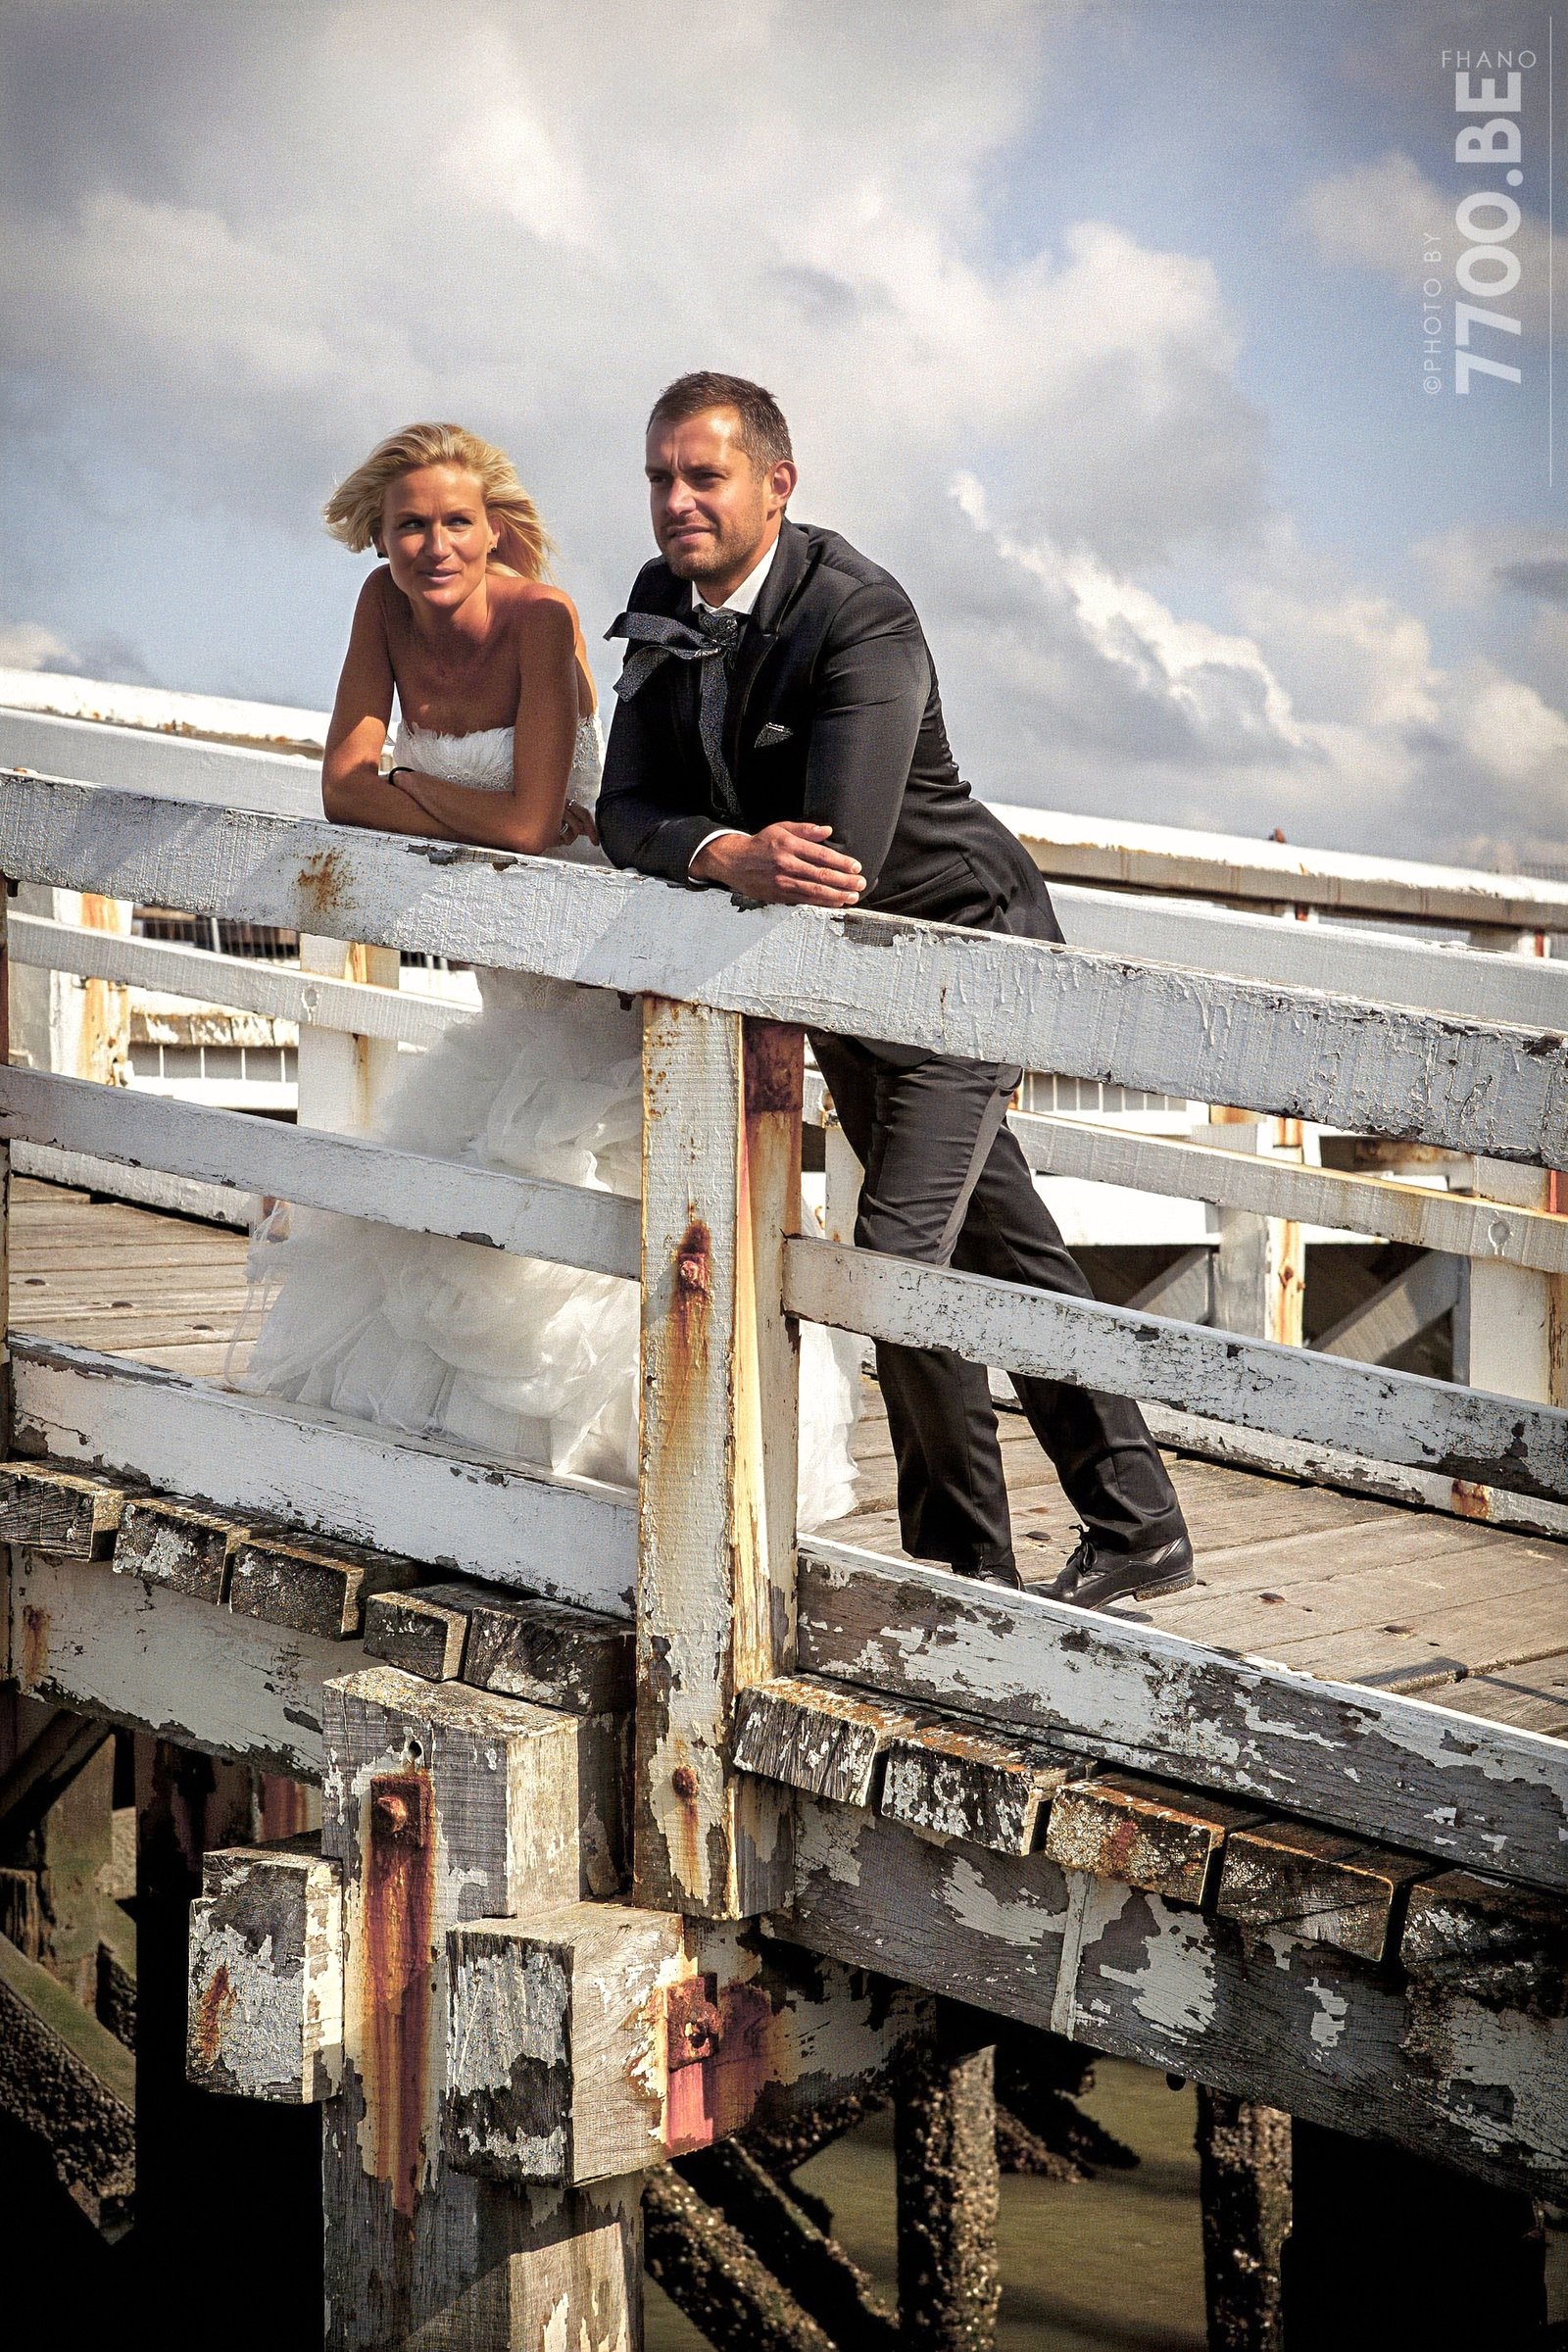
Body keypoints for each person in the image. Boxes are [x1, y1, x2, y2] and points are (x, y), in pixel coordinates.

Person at [598, 372, 1193, 1610]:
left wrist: (749, 853)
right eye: (659, 475)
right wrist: (720, 853)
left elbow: (842, 850)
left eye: (702, 475)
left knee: (895, 1268)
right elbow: (624, 811)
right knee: (1006, 1250)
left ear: (777, 483)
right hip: (842, 983)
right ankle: (1137, 1526)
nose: (674, 501)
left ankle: (963, 1573)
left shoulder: (860, 611)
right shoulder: (663, 598)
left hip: (958, 959)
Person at [236, 420, 858, 1524]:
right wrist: (430, 803)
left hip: (581, 936)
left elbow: (530, 823)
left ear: (494, 529)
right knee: (487, 1150)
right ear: (379, 537)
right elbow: (339, 789)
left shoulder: (541, 617)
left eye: (456, 523)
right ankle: (470, 1441)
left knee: (586, 1154)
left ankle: (660, 1448)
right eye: (409, 526)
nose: (433, 546)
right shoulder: (381, 609)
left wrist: (410, 788)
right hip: (500, 944)